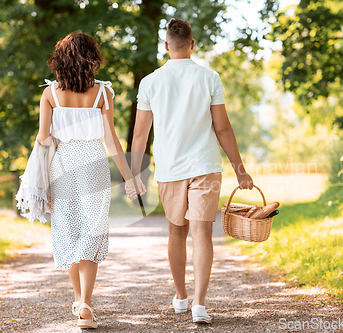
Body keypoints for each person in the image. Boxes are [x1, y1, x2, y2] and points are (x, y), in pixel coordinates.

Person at [126, 18, 254, 324]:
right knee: (202, 233)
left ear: (166, 46)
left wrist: (134, 175)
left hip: (169, 169)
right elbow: (222, 129)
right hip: (205, 166)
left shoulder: (151, 82)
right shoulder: (209, 77)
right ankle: (199, 304)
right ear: (193, 44)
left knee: (176, 232)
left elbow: (140, 135)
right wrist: (241, 171)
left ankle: (181, 296)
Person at [36, 31, 133, 329]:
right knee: (91, 231)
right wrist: (130, 178)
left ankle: (79, 301)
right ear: (92, 58)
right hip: (93, 163)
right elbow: (112, 140)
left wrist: (39, 181)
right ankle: (87, 304)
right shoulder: (103, 93)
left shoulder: (50, 93)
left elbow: (43, 139)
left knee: (69, 232)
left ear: (61, 59)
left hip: (62, 163)